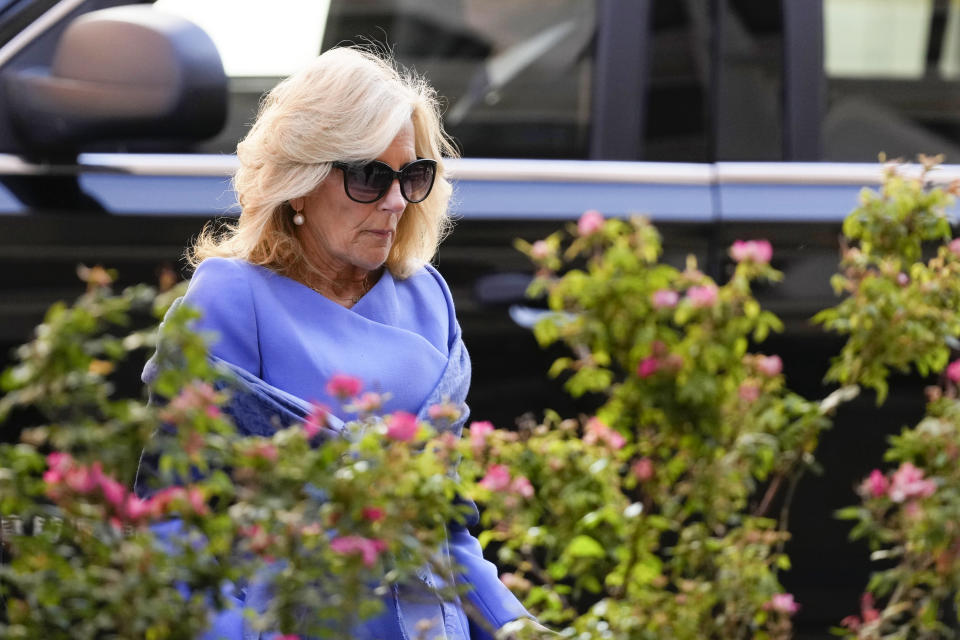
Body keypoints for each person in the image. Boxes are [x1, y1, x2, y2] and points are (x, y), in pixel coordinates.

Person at [156, 46, 536, 639]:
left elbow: (447, 530)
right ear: (299, 183)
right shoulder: (234, 298)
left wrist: (520, 629)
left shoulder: (426, 298)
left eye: (411, 176)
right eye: (367, 176)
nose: (394, 200)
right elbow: (176, 521)